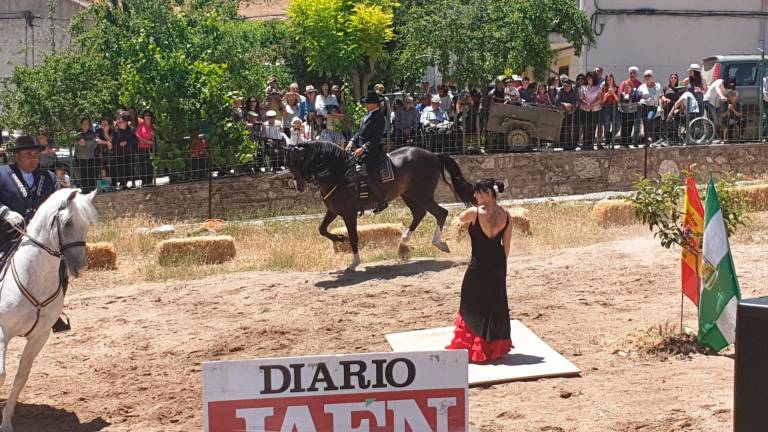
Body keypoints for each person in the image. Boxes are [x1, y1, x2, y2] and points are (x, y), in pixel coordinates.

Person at [0, 136, 68, 331]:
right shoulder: (2, 174)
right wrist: (5, 213)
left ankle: (54, 313)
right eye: (28, 154)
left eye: (36, 154)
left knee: (60, 267)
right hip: (7, 236)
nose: (33, 158)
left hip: (40, 240)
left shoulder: (49, 178)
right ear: (17, 156)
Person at [446, 178, 513, 363]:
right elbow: (506, 246)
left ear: (488, 193)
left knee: (471, 302)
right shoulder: (507, 215)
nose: (475, 195)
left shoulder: (474, 212)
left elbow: (459, 219)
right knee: (495, 303)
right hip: (498, 263)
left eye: (478, 192)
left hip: (478, 264)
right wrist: (499, 266)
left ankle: (474, 345)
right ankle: (493, 347)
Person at [345, 90, 387, 213]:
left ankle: (381, 201)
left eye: (369, 103)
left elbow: (376, 139)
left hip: (372, 151)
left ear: (375, 104)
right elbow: (360, 132)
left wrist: (363, 149)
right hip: (360, 148)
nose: (366, 105)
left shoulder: (380, 118)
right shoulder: (367, 115)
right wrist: (351, 142)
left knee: (366, 172)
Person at [112, 112, 138, 189]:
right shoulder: (116, 131)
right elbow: (113, 142)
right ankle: (123, 184)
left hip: (129, 152)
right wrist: (119, 144)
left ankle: (133, 183)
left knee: (130, 168)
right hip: (120, 153)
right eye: (119, 122)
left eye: (121, 122)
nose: (120, 124)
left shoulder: (131, 130)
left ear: (126, 122)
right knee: (121, 169)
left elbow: (135, 140)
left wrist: (127, 142)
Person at [578, 71, 603, 150]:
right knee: (585, 127)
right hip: (585, 110)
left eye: (590, 77)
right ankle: (585, 144)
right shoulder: (583, 87)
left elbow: (599, 99)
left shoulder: (598, 87)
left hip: (595, 110)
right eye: (588, 77)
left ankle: (591, 144)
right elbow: (581, 98)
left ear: (594, 78)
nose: (589, 79)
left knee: (593, 127)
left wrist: (591, 105)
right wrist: (586, 104)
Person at [638, 70, 663, 145]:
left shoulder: (657, 86)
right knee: (645, 123)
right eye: (645, 76)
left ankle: (651, 137)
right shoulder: (641, 87)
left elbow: (660, 97)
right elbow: (638, 97)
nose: (647, 77)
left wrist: (661, 107)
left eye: (649, 75)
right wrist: (638, 102)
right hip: (643, 106)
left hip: (653, 106)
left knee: (649, 119)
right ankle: (647, 140)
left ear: (652, 77)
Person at [75, 116, 98, 192]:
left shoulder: (92, 133)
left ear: (89, 125)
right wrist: (79, 142)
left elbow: (95, 145)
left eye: (87, 124)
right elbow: (72, 142)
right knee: (82, 175)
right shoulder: (77, 133)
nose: (85, 125)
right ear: (81, 124)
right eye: (84, 123)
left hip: (90, 157)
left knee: (91, 175)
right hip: (80, 158)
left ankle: (92, 191)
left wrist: (86, 143)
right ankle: (84, 191)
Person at [556, 78, 579, 150]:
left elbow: (577, 101)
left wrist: (571, 105)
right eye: (565, 86)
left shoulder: (574, 92)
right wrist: (564, 104)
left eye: (567, 86)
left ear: (570, 86)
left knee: (573, 129)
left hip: (573, 113)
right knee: (564, 129)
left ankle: (573, 144)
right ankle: (564, 145)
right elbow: (557, 101)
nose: (566, 87)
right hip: (562, 114)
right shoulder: (560, 91)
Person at [134, 109, 155, 187]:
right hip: (142, 148)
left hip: (150, 148)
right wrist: (147, 141)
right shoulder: (141, 125)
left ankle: (150, 180)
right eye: (146, 115)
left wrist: (150, 142)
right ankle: (144, 181)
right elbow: (137, 135)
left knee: (150, 164)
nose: (148, 117)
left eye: (149, 115)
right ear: (144, 117)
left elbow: (156, 136)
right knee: (143, 165)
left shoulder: (153, 125)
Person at [601, 74, 620, 148]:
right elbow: (602, 102)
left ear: (613, 79)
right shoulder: (603, 88)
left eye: (610, 79)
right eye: (607, 80)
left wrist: (613, 94)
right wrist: (606, 95)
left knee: (617, 126)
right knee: (607, 126)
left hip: (615, 107)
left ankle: (608, 139)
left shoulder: (617, 88)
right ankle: (607, 142)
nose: (609, 81)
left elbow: (618, 100)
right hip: (606, 108)